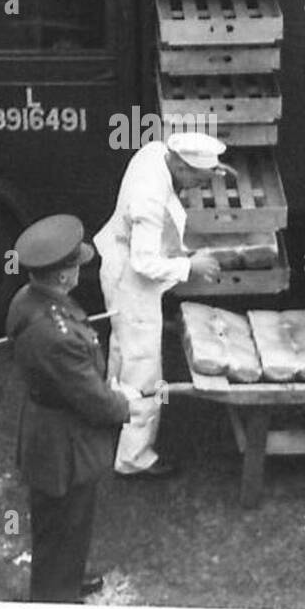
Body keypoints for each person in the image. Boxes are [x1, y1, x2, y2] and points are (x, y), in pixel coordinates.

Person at [8, 215, 133, 603]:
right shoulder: (55, 334)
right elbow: (93, 401)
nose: (80, 267)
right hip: (62, 443)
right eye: (75, 263)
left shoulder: (30, 298)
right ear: (62, 276)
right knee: (61, 523)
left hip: (56, 430)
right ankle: (53, 600)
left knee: (72, 524)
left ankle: (67, 577)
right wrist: (124, 404)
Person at [94, 131, 227, 478]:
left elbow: (188, 163)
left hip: (118, 267)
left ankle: (109, 415)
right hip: (132, 281)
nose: (199, 186)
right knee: (143, 369)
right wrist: (190, 266)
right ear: (182, 168)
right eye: (198, 179)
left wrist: (216, 167)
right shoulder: (150, 199)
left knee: (122, 349)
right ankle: (134, 458)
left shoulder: (157, 151)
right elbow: (145, 263)